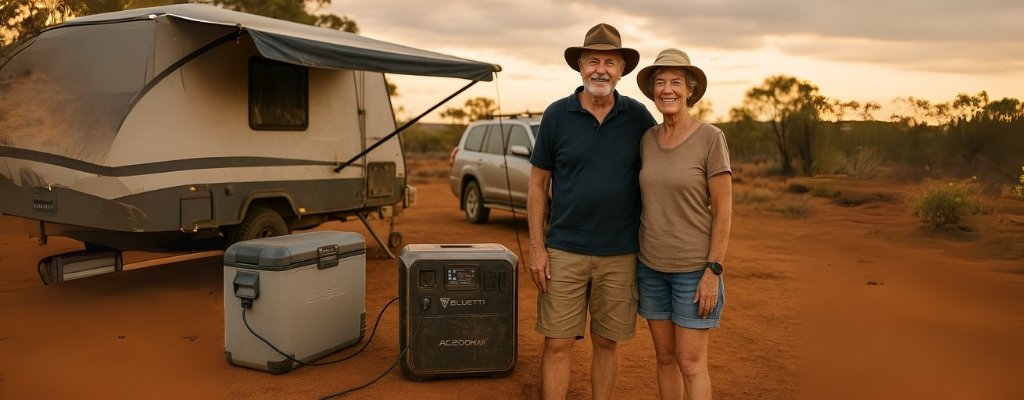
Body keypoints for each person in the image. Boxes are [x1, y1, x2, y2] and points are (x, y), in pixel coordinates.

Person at [527, 23, 656, 400]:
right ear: (580, 66)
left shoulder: (638, 116)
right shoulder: (556, 115)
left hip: (620, 253)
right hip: (564, 251)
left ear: (621, 70)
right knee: (557, 343)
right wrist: (537, 247)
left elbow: (663, 162)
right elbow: (538, 184)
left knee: (606, 342)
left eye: (610, 62)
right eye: (594, 61)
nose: (601, 70)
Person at [634, 48, 732, 400]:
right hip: (650, 267)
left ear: (690, 90)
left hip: (693, 270)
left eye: (676, 82)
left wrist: (713, 271)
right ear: (652, 91)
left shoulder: (710, 138)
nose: (667, 89)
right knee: (665, 358)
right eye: (660, 82)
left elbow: (723, 210)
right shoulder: (647, 140)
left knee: (690, 363)